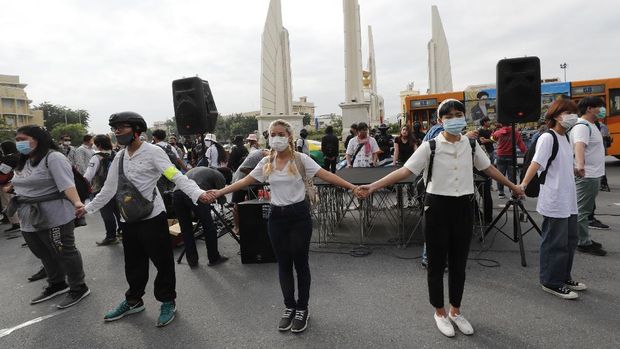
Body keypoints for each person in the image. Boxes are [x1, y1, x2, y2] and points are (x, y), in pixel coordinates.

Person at [358, 99, 524, 337]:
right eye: (450, 116)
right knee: (436, 264)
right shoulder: (431, 146)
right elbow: (405, 171)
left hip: (463, 207)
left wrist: (512, 186)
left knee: (459, 263)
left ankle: (456, 311)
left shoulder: (473, 145)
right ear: (440, 121)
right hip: (436, 207)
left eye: (459, 114)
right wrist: (373, 186)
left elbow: (488, 169)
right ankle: (439, 312)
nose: (455, 119)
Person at [205, 119, 361, 334]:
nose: (276, 137)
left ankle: (302, 308)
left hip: (298, 216)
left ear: (289, 136)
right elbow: (245, 181)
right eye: (272, 134)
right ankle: (289, 306)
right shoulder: (266, 161)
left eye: (280, 133)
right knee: (283, 264)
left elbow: (327, 175)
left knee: (300, 263)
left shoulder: (301, 159)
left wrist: (353, 187)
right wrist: (220, 192)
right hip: (276, 217)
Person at [76, 111, 212, 327]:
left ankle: (168, 301)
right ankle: (133, 300)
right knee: (133, 264)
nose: (117, 131)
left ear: (137, 130)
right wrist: (88, 208)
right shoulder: (119, 156)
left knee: (162, 262)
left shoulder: (153, 152)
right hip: (128, 220)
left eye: (122, 127)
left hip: (152, 218)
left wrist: (198, 194)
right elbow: (109, 189)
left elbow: (174, 175)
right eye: (115, 128)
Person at [10, 125, 90, 309]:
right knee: (42, 251)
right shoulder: (24, 160)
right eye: (17, 140)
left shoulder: (53, 157)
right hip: (28, 216)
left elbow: (66, 184)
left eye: (23, 139)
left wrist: (77, 203)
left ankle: (78, 286)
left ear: (38, 139)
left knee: (64, 251)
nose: (19, 143)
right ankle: (57, 283)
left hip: (55, 216)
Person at [519, 98, 586, 299]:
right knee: (555, 242)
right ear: (557, 115)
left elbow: (559, 164)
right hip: (555, 198)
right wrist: (522, 185)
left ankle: (563, 276)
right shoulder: (548, 138)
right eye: (569, 113)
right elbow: (536, 163)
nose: (573, 117)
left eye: (574, 113)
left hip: (569, 198)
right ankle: (551, 281)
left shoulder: (564, 137)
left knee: (569, 241)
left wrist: (575, 170)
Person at [571, 97, 607, 256]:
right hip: (587, 175)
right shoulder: (582, 126)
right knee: (582, 211)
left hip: (593, 174)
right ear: (589, 109)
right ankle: (583, 242)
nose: (603, 110)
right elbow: (579, 145)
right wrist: (580, 166)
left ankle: (584, 239)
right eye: (600, 107)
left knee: (584, 210)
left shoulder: (591, 125)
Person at [173, 167, 228, 268]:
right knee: (208, 226)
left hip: (176, 193)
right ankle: (213, 258)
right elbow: (221, 197)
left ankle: (192, 260)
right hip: (195, 192)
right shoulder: (220, 176)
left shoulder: (202, 169)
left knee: (185, 228)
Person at [83, 135, 120, 246]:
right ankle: (122, 232)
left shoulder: (96, 157)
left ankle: (111, 237)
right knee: (118, 212)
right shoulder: (117, 154)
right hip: (117, 188)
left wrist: (82, 188)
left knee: (107, 214)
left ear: (98, 145)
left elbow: (88, 175)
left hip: (101, 189)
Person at [492, 122, 526, 199]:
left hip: (500, 156)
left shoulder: (498, 132)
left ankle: (501, 193)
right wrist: (526, 154)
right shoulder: (516, 132)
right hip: (511, 157)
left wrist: (495, 131)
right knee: (512, 176)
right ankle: (513, 193)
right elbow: (521, 144)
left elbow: (492, 138)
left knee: (500, 175)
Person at [0, 141, 20, 232]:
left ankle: (16, 223)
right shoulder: (19, 155)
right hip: (18, 183)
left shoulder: (8, 158)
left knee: (8, 203)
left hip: (7, 184)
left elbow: (3, 172)